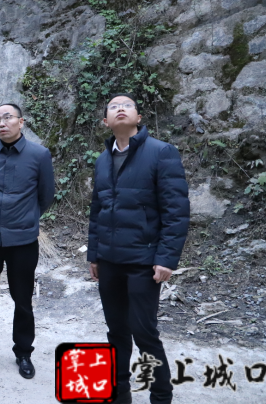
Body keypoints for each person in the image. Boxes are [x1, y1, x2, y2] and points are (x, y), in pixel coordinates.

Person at [87, 93, 190, 404]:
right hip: (109, 261)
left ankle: (161, 395)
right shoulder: (102, 160)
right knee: (116, 331)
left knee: (144, 331)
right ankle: (120, 394)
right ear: (106, 121)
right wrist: (94, 254)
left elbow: (176, 211)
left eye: (127, 105)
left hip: (143, 261)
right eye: (113, 107)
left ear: (138, 117)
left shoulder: (161, 152)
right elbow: (97, 211)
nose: (120, 108)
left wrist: (166, 258)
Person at [0, 103, 54, 379]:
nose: (2, 123)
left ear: (21, 122)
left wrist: (25, 218)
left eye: (7, 118)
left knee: (22, 297)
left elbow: (46, 196)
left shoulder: (39, 155)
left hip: (23, 240)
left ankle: (23, 352)